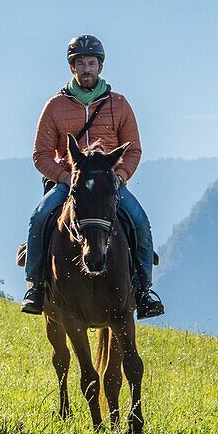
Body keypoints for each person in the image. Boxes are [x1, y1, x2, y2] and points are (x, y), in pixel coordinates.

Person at [20, 35, 164, 319]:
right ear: (72, 68)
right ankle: (35, 286)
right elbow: (41, 154)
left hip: (109, 186)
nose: (86, 68)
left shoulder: (119, 105)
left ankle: (144, 291)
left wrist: (120, 177)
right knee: (39, 219)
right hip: (70, 184)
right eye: (81, 64)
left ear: (100, 66)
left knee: (141, 223)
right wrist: (65, 177)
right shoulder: (54, 107)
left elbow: (133, 149)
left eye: (91, 63)